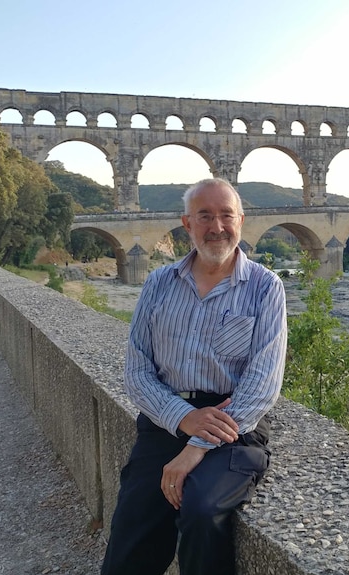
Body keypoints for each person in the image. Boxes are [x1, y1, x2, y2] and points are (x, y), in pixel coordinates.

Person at [101, 178, 288, 575]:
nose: (216, 227)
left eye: (225, 216)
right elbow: (137, 371)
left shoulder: (265, 287)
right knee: (134, 521)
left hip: (235, 423)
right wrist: (182, 418)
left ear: (241, 220)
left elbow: (262, 383)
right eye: (205, 216)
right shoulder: (158, 283)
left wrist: (196, 444)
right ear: (187, 223)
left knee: (203, 510)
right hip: (165, 419)